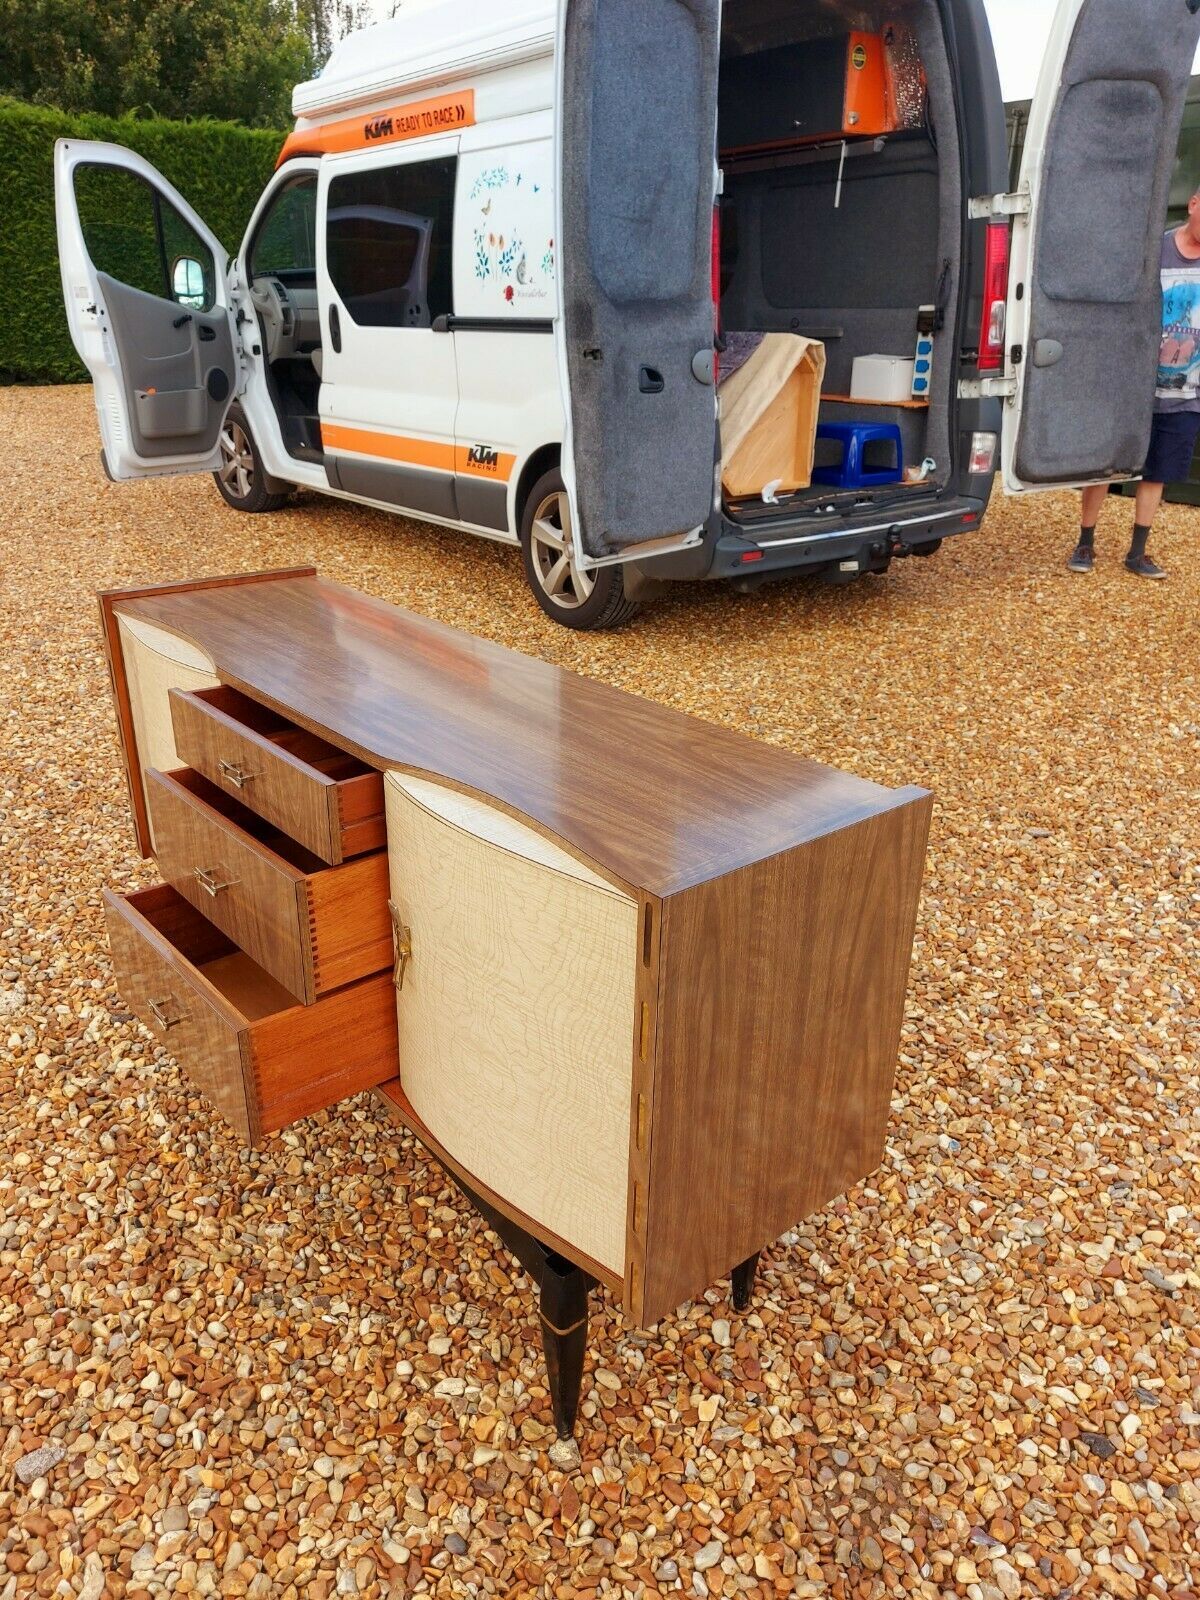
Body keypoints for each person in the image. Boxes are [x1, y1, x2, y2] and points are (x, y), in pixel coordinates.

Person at [1069, 185, 1200, 580]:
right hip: (1130, 387)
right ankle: (1085, 541)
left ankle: (1137, 552)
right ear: (1193, 204)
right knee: (1105, 466)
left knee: (1157, 471)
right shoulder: (1153, 250)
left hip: (1184, 390)